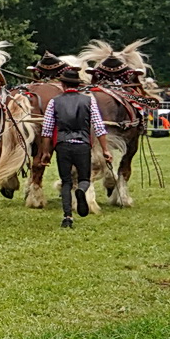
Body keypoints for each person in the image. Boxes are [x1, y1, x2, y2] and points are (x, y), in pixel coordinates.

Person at [41, 70, 112, 229]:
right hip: (83, 145)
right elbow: (99, 127)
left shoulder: (54, 102)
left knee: (66, 182)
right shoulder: (89, 101)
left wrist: (46, 152)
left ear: (63, 85)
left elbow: (47, 130)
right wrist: (106, 149)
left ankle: (67, 216)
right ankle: (81, 190)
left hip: (63, 146)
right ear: (79, 85)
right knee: (84, 179)